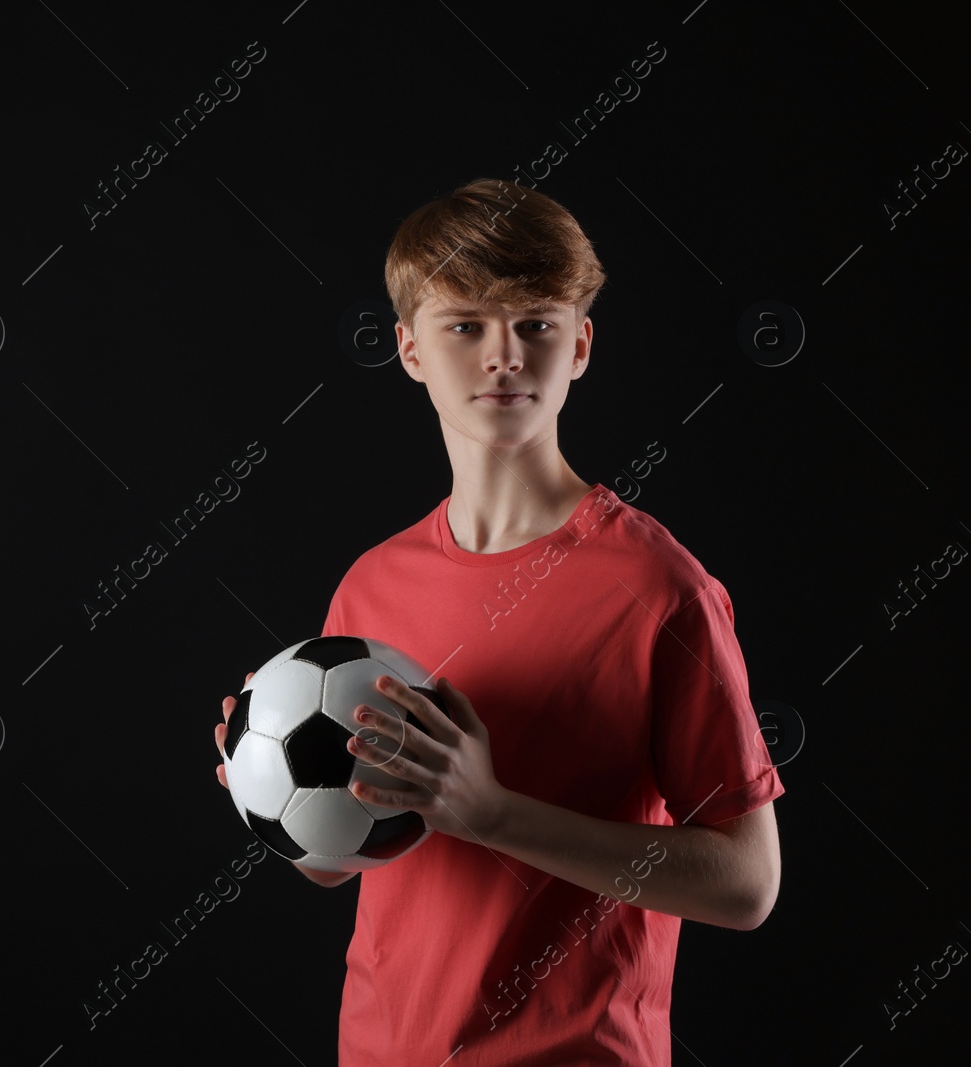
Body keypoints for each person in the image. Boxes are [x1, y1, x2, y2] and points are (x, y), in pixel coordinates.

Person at [213, 177, 783, 1065]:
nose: (504, 355)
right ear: (409, 350)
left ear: (581, 346)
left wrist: (493, 813)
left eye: (536, 324)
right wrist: (266, 787)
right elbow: (341, 857)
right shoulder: (372, 586)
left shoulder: (660, 587)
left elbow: (747, 884)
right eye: (466, 325)